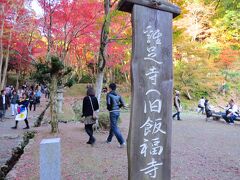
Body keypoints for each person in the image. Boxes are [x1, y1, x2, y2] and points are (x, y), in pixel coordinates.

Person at [106, 83, 126, 147]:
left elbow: (108, 104)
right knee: (113, 125)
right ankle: (109, 140)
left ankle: (122, 142)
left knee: (114, 127)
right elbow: (123, 104)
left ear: (110, 88)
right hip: (118, 111)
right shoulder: (118, 94)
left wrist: (109, 109)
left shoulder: (109, 94)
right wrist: (118, 107)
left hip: (112, 112)